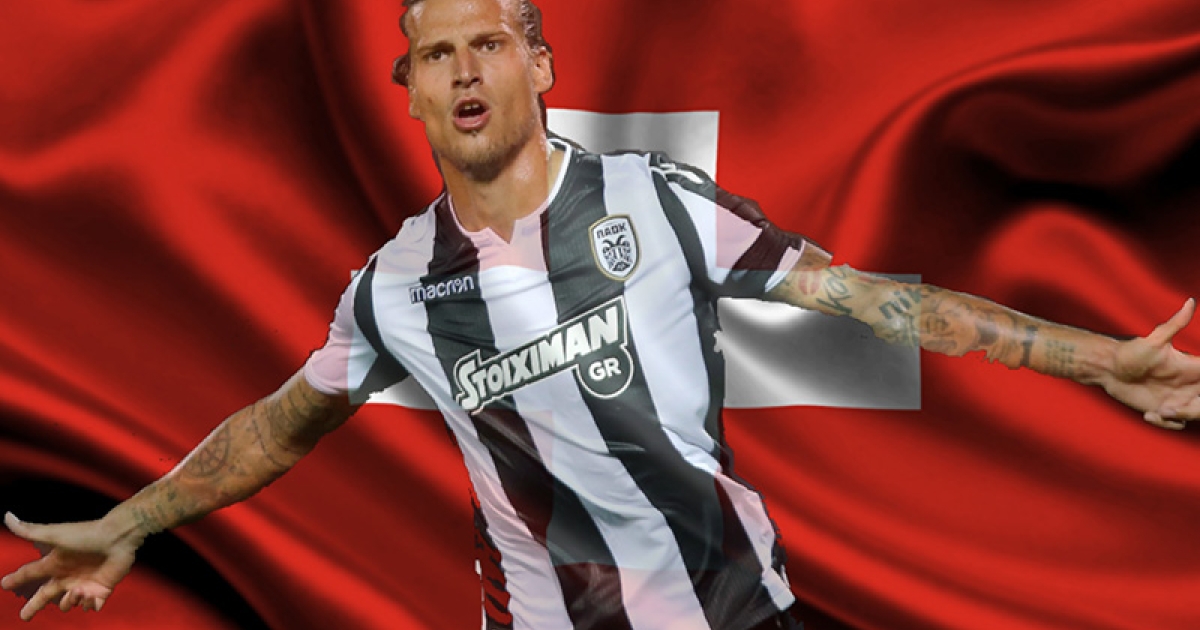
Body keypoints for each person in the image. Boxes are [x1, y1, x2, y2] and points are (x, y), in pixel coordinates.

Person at [3, 0, 1198, 628]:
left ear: (540, 66)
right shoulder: (393, 285)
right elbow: (278, 426)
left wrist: (1097, 360)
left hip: (736, 612)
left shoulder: (654, 200)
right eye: (436, 55)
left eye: (488, 43)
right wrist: (133, 522)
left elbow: (868, 299)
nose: (464, 71)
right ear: (409, 92)